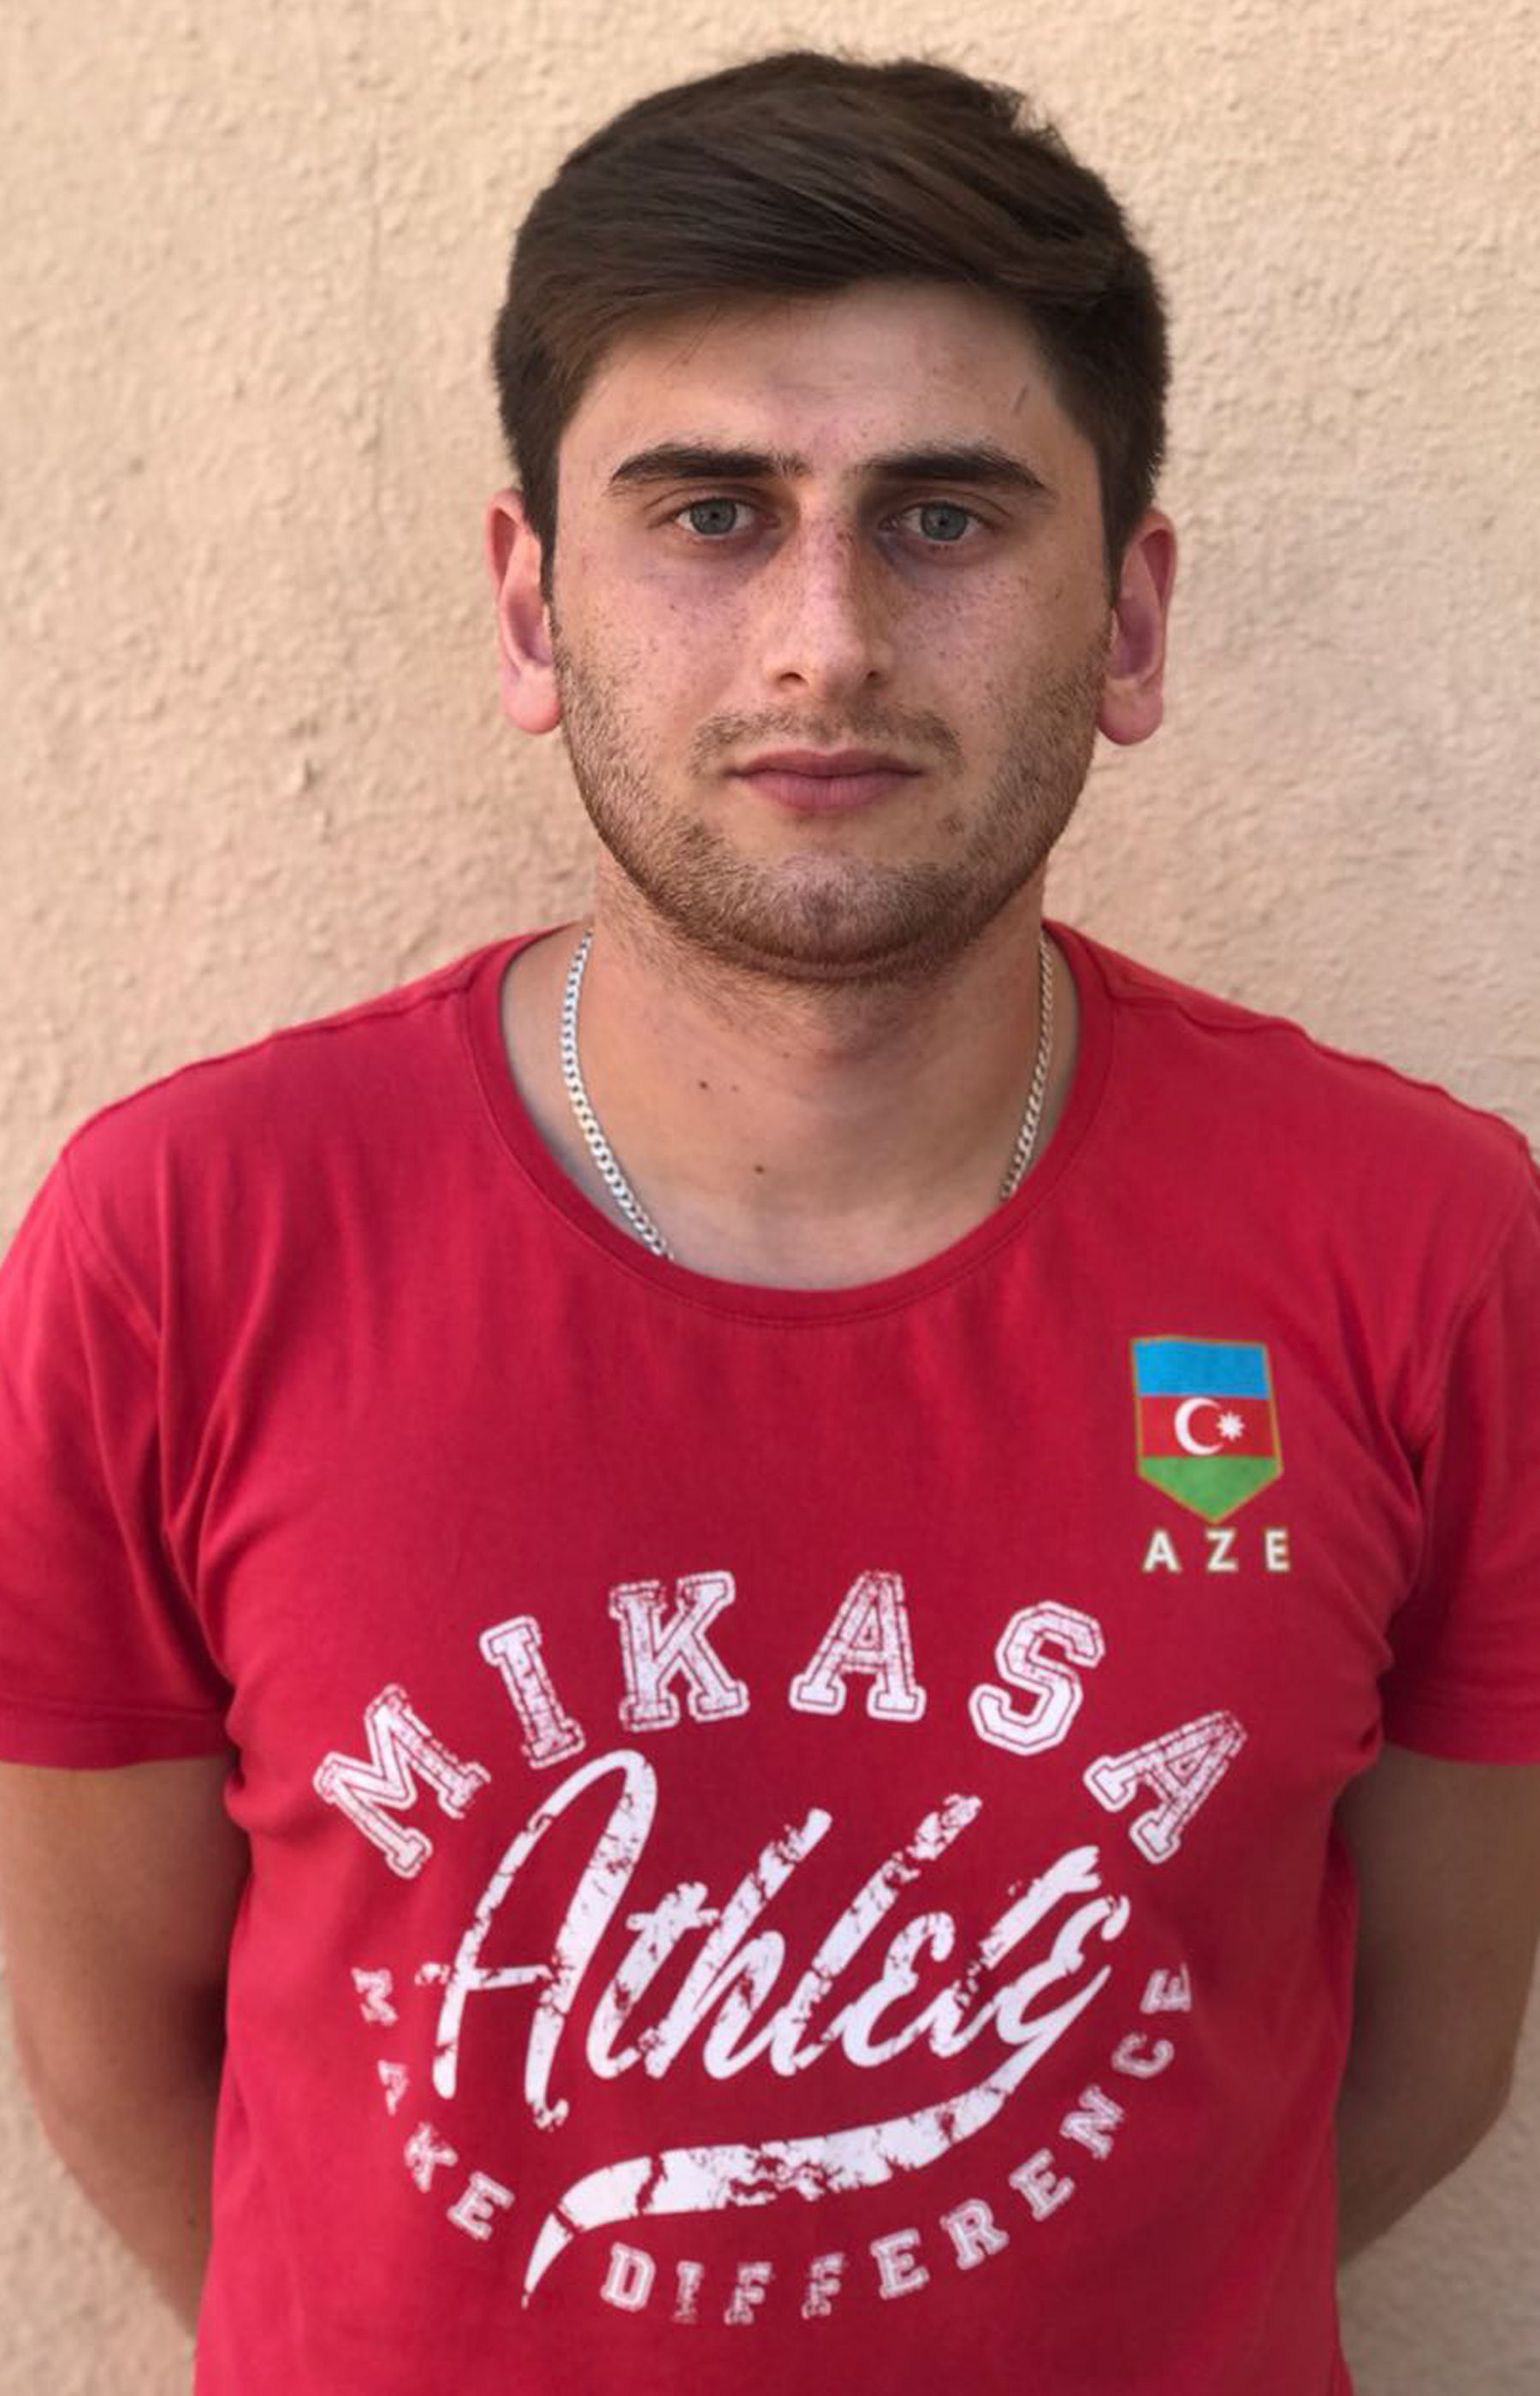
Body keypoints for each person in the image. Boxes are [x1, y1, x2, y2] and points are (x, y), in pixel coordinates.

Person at [1, 43, 1537, 2396]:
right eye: (710, 514)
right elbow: (114, 2036)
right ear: (533, 611)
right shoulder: (185, 1244)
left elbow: (1431, 2033)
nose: (824, 640)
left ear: (1129, 621)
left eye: (944, 519)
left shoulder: (1423, 1247)